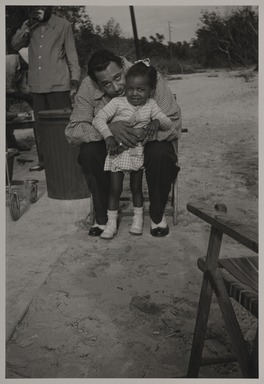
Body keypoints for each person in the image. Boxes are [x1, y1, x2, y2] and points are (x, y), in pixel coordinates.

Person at [65, 50, 182, 237]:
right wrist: (108, 130)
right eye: (106, 84)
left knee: (162, 153)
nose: (117, 87)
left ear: (123, 66)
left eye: (118, 77)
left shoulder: (150, 75)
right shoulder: (87, 86)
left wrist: (144, 133)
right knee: (88, 153)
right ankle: (102, 217)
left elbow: (174, 121)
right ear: (97, 82)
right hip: (110, 145)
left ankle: (157, 214)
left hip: (148, 139)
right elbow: (73, 131)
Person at [93, 60, 173, 239]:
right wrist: (109, 136)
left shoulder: (151, 105)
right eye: (130, 88)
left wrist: (156, 121)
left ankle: (138, 219)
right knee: (116, 189)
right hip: (117, 152)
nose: (134, 94)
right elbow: (98, 119)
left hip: (137, 153)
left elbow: (168, 123)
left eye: (140, 90)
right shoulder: (118, 103)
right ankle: (111, 223)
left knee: (136, 188)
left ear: (150, 91)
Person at [11, 6, 80, 171]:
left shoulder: (63, 25)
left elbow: (71, 53)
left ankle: (66, 161)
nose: (39, 9)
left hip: (58, 84)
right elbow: (15, 45)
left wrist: (75, 79)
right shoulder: (29, 25)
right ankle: (45, 162)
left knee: (62, 127)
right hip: (37, 85)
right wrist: (27, 25)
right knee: (41, 128)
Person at [6, 52, 33, 150]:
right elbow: (6, 89)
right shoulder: (9, 64)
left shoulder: (22, 67)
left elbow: (22, 87)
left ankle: (12, 145)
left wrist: (30, 97)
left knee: (7, 120)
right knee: (5, 118)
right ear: (22, 59)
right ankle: (11, 146)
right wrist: (25, 97)